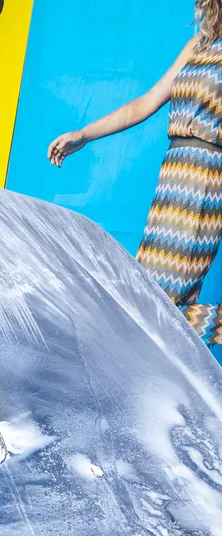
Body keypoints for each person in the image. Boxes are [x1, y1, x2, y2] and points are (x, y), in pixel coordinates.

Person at [49, 0, 222, 345]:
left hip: (205, 179)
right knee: (151, 297)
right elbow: (145, 103)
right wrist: (84, 135)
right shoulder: (200, 43)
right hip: (172, 175)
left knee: (157, 306)